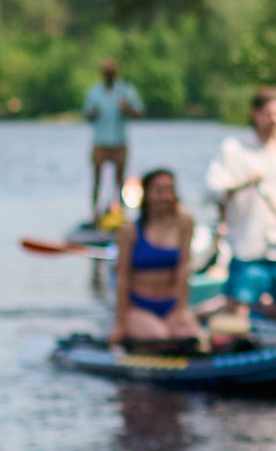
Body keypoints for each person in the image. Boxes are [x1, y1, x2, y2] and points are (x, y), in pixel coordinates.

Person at [208, 89, 276, 312]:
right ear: (255, 114)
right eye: (269, 114)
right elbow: (213, 190)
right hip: (248, 247)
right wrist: (241, 184)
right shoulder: (234, 149)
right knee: (239, 306)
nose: (275, 120)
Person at [112, 167, 203, 345]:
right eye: (159, 191)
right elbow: (122, 277)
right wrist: (120, 324)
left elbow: (183, 268)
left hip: (170, 304)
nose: (165, 196)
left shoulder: (184, 223)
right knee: (161, 337)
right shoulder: (129, 231)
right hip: (139, 306)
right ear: (147, 194)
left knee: (196, 339)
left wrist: (181, 310)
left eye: (170, 190)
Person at [81, 58, 143, 221]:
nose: (108, 75)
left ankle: (120, 213)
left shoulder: (125, 90)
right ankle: (95, 214)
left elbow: (139, 112)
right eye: (105, 72)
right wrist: (92, 113)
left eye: (111, 72)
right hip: (100, 141)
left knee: (120, 180)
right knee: (97, 178)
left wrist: (126, 108)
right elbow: (86, 114)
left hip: (119, 141)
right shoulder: (94, 92)